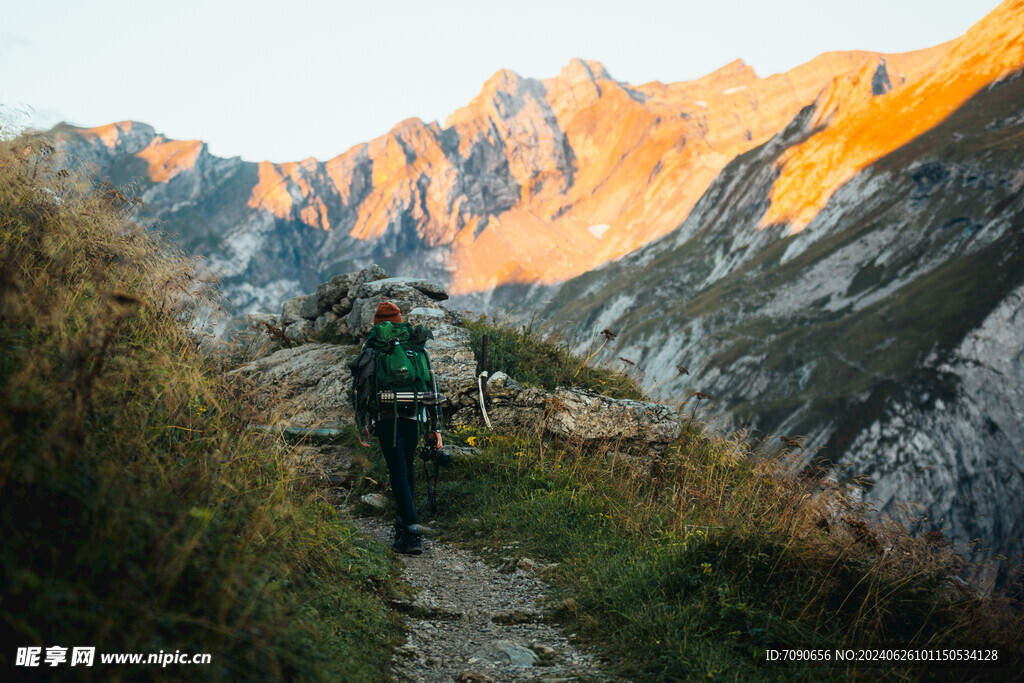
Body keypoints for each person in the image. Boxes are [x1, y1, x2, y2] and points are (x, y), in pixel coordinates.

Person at [349, 301, 442, 555]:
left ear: (377, 324)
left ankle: (412, 533)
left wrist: (363, 424)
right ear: (401, 320)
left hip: (386, 418)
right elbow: (432, 383)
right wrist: (437, 427)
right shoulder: (414, 342)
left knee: (398, 471)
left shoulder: (375, 344)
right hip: (415, 415)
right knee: (407, 467)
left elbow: (361, 386)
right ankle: (403, 527)